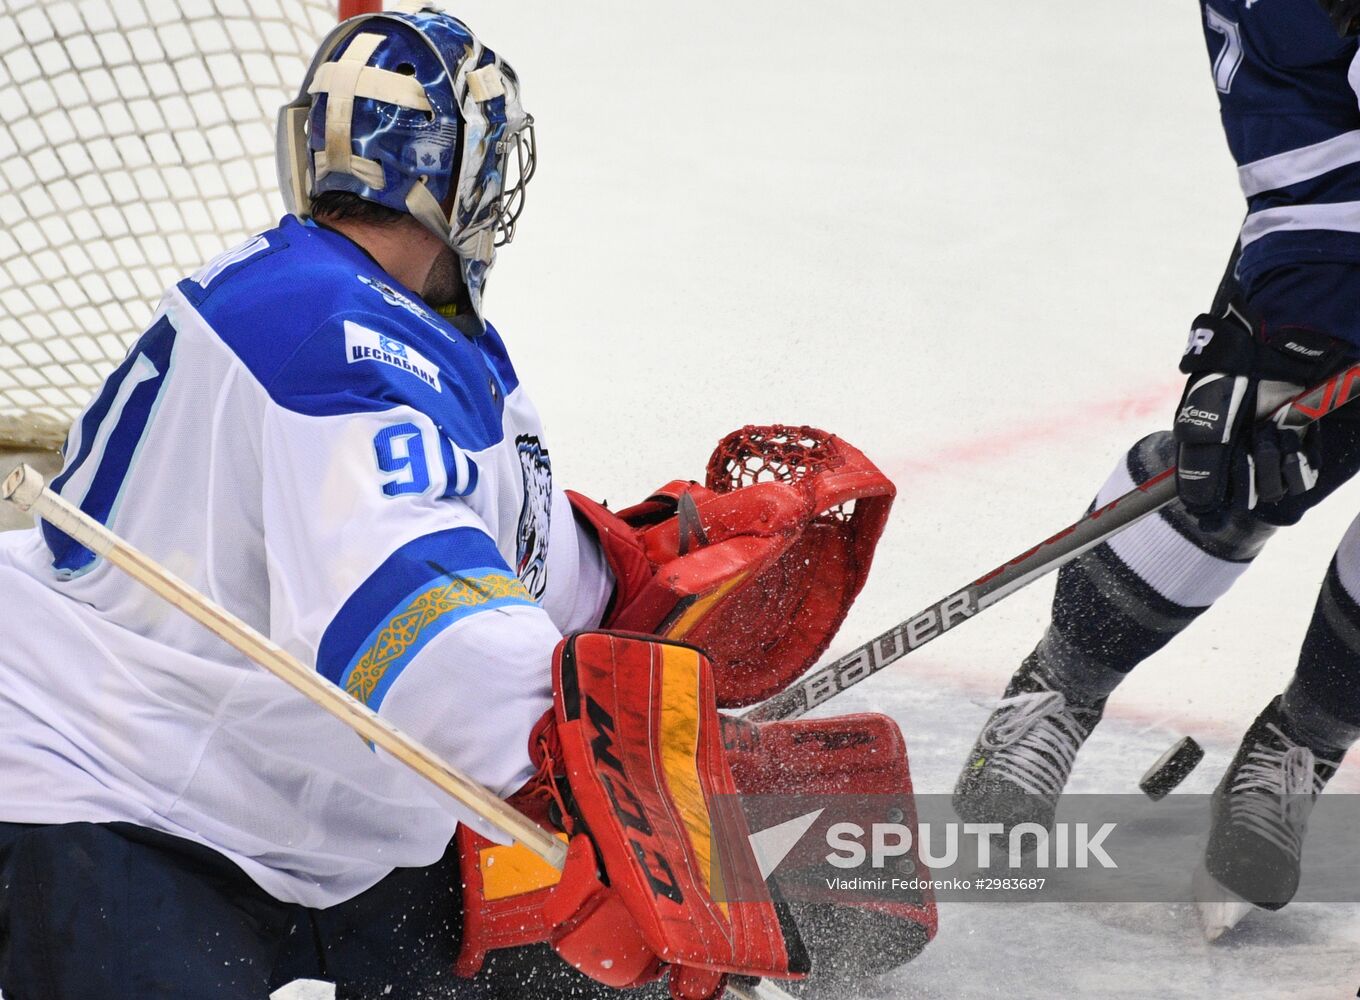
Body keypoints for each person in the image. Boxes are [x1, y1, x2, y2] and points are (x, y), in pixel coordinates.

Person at [0, 6, 929, 997]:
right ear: (464, 171)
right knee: (599, 880)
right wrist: (607, 777)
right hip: (114, 793)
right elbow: (423, 631)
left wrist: (638, 574)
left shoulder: (424, 331)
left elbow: (489, 555)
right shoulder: (333, 339)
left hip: (297, 815)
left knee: (583, 966)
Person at [953, 0, 1360, 939]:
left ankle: (1301, 744)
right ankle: (1061, 686)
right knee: (1245, 447)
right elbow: (1291, 95)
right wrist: (1311, 308)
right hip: (1344, 229)